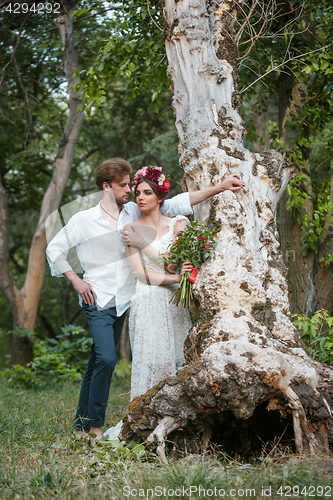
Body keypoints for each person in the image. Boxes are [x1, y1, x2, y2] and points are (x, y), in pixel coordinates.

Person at [46, 157, 244, 445]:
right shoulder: (82, 220)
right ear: (106, 186)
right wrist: (76, 281)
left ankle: (81, 424)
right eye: (124, 185)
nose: (130, 190)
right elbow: (55, 249)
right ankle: (96, 429)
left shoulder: (131, 212)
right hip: (97, 297)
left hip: (126, 300)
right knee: (105, 357)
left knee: (96, 362)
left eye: (131, 185)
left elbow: (177, 202)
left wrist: (220, 187)